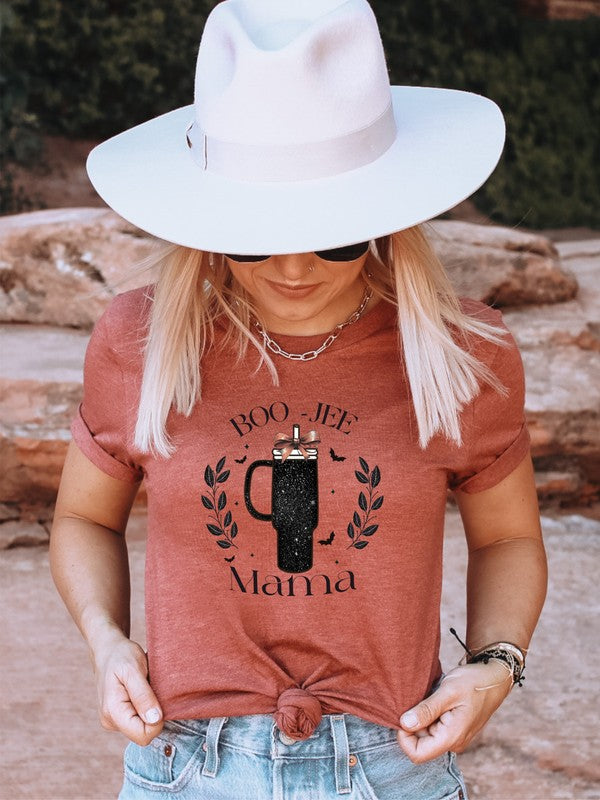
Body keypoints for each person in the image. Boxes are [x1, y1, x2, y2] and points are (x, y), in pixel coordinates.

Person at [49, 1, 547, 798]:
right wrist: (107, 644)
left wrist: (496, 664)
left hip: (394, 764)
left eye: (335, 233)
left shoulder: (463, 352)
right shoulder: (139, 340)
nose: (292, 268)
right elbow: (83, 518)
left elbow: (509, 537)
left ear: (387, 213)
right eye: (255, 235)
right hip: (185, 766)